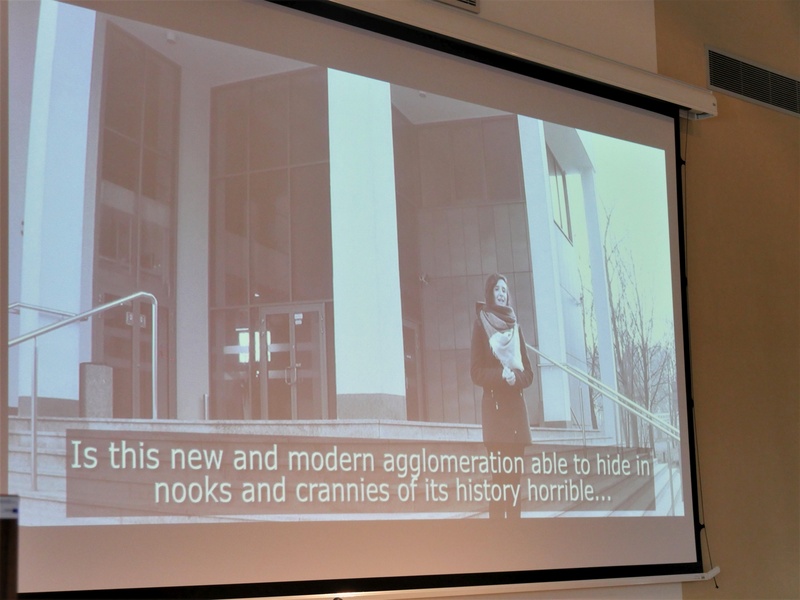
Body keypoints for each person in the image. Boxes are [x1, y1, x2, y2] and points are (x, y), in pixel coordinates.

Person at [470, 273, 535, 519]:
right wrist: (500, 375)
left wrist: (515, 378)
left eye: (504, 290)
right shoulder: (481, 324)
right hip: (495, 415)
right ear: (490, 293)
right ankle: (497, 535)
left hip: (516, 415)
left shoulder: (515, 327)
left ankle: (514, 533)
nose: (501, 293)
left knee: (514, 481)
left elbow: (528, 373)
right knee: (500, 480)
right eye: (497, 289)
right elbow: (475, 372)